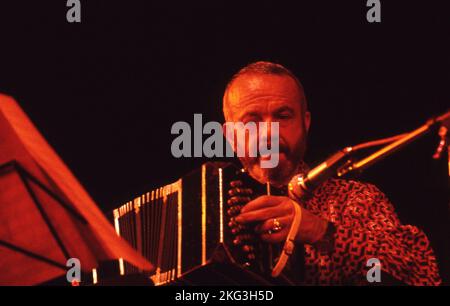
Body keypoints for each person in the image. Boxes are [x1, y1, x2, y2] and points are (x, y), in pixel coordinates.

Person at [222, 61, 441, 285]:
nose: (270, 132)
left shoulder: (354, 199)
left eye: (283, 116)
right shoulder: (212, 208)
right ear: (230, 135)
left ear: (305, 123)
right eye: (252, 121)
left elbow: (420, 274)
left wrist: (320, 231)